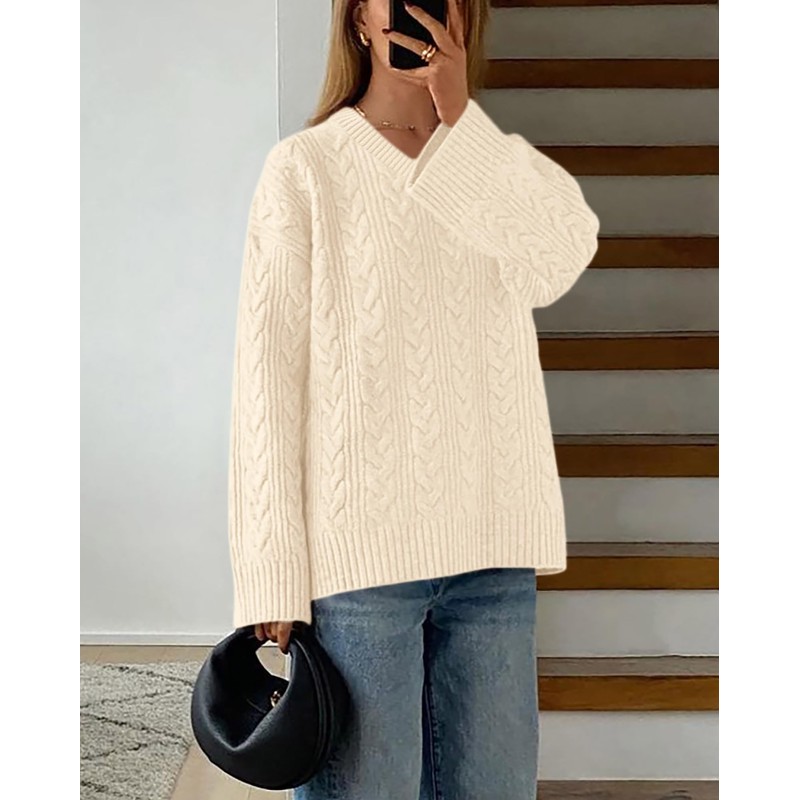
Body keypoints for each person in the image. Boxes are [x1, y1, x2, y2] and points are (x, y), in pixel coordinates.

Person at [226, 0, 600, 796]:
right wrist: (271, 570)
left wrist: (461, 120)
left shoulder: (488, 165)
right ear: (359, 19)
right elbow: (267, 381)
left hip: (494, 547)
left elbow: (560, 257)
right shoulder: (306, 169)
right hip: (360, 559)